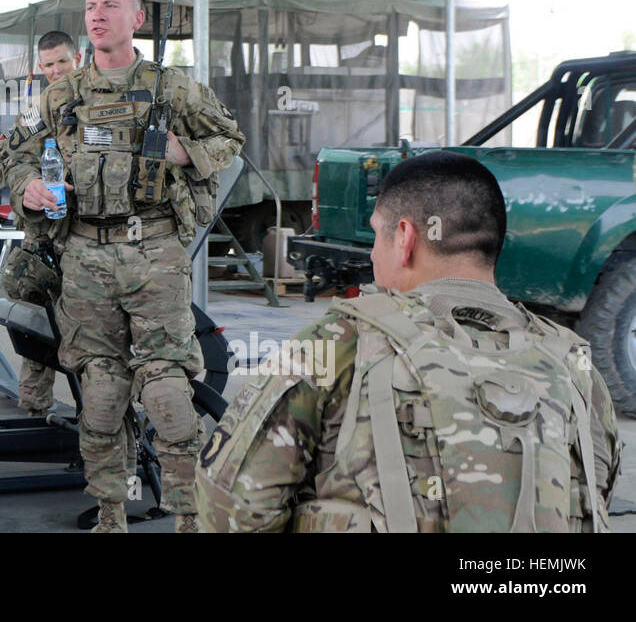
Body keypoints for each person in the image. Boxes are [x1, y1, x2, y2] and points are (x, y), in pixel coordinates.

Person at [196, 150, 623, 533]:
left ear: (404, 238)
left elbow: (231, 510)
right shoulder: (571, 360)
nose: (373, 254)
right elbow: (595, 493)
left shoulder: (341, 341)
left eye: (377, 235)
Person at [0, 0, 244, 532]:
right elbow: (6, 157)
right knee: (101, 392)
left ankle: (187, 516)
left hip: (153, 251)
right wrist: (28, 184)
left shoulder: (172, 88)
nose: (97, 15)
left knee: (168, 393)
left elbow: (231, 139)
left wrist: (188, 152)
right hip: (83, 256)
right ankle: (110, 512)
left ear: (136, 19)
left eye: (110, 6)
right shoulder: (60, 95)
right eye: (90, 7)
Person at [0, 30, 81, 416]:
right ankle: (35, 416)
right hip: (46, 241)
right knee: (37, 333)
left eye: (63, 61)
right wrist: (28, 183)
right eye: (49, 65)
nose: (57, 71)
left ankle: (103, 426)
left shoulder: (104, 100)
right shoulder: (37, 110)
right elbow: (1, 165)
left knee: (96, 342)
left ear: (79, 58)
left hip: (94, 240)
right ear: (40, 68)